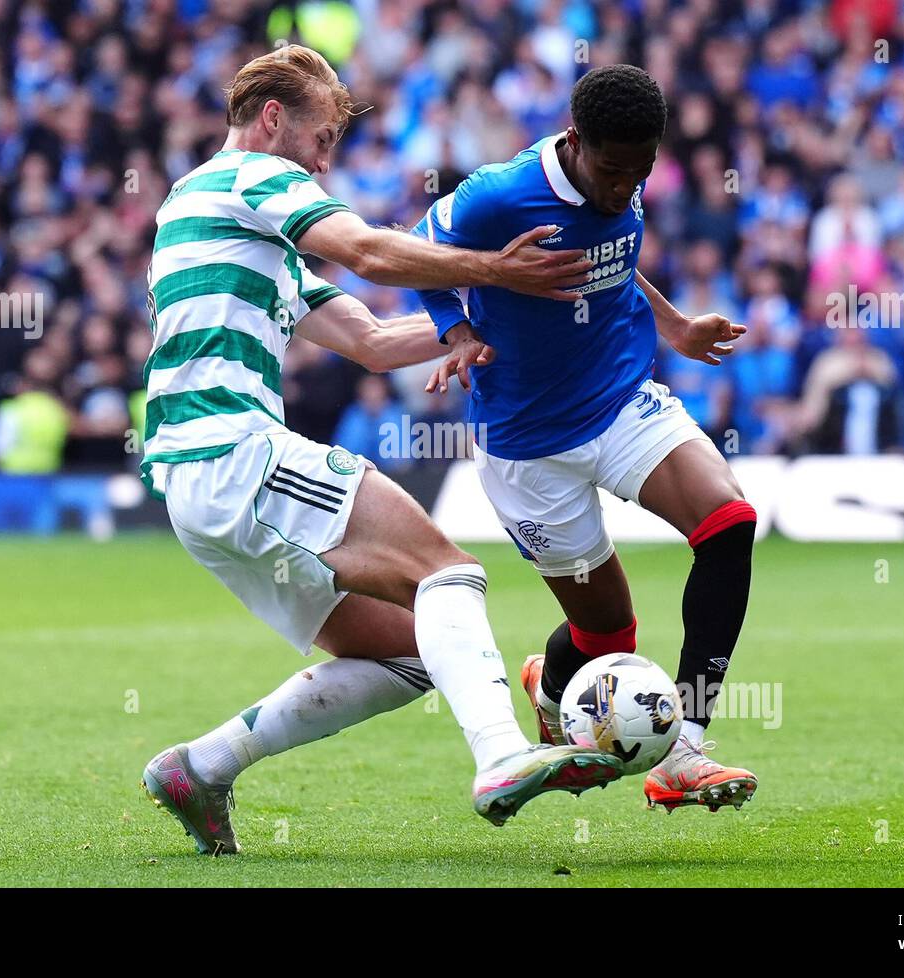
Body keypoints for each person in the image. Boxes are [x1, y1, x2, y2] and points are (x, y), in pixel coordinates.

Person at [139, 45, 622, 855]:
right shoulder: (255, 178)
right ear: (271, 120)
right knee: (448, 572)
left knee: (414, 653)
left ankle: (202, 766)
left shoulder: (214, 211)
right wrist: (493, 272)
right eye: (323, 137)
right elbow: (366, 250)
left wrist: (484, 326)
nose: (327, 160)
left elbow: (367, 338)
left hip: (196, 488)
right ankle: (503, 755)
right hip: (236, 452)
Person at [414, 64, 759, 813]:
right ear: (575, 143)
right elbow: (417, 254)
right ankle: (552, 678)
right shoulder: (499, 196)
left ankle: (688, 748)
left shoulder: (623, 171)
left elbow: (616, 260)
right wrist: (458, 329)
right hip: (526, 441)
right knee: (607, 633)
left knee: (729, 524)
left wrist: (674, 325)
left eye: (641, 168)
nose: (624, 184)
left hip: (620, 399)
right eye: (612, 169)